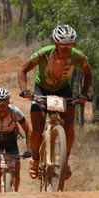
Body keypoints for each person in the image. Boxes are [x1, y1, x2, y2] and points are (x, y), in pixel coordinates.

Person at [17, 24, 92, 180]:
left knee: (70, 125)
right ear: (55, 43)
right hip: (41, 89)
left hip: (63, 89)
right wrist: (24, 90)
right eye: (62, 47)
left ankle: (65, 160)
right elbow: (22, 69)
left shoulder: (78, 56)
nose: (66, 50)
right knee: (37, 129)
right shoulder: (44, 53)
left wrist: (84, 93)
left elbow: (88, 73)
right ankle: (35, 159)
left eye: (69, 46)